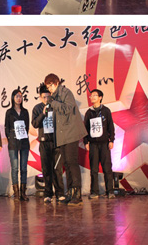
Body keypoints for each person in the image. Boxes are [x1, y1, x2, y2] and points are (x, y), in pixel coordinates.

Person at [44, 73, 87, 205]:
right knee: (67, 164)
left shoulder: (66, 93)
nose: (50, 89)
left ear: (56, 83)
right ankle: (70, 192)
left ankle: (77, 195)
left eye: (51, 85)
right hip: (62, 135)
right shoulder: (54, 97)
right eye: (48, 87)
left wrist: (53, 103)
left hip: (71, 133)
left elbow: (68, 108)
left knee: (72, 163)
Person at [31, 83, 65, 202]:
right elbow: (35, 124)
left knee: (57, 169)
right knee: (46, 169)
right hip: (44, 142)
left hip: (56, 142)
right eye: (44, 97)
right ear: (40, 97)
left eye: (48, 97)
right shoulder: (37, 108)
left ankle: (60, 193)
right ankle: (48, 194)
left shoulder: (56, 106)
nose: (46, 99)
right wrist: (43, 113)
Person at [83, 89, 115, 199]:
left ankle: (110, 191)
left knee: (107, 168)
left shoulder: (106, 111)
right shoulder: (89, 112)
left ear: (100, 97)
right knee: (94, 169)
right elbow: (85, 129)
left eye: (94, 95)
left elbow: (110, 126)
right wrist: (86, 142)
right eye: (91, 96)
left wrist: (111, 140)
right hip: (93, 144)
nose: (92, 97)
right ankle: (94, 192)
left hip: (104, 143)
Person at [5, 88, 30, 201]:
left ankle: (23, 193)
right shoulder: (9, 112)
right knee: (15, 168)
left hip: (24, 141)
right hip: (13, 142)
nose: (19, 98)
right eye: (17, 96)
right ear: (13, 98)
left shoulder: (25, 112)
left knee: (23, 168)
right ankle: (16, 193)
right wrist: (10, 137)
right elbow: (7, 127)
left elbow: (27, 127)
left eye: (20, 96)